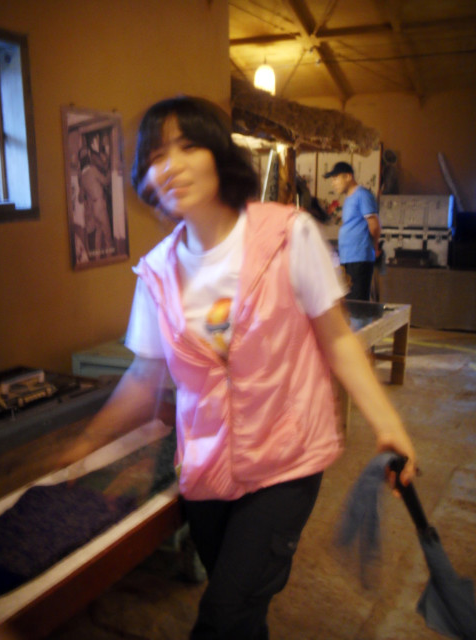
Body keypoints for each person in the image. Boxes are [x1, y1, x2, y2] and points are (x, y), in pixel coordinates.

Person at [63, 96, 417, 640]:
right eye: (156, 156)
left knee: (224, 619)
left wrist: (388, 425)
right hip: (205, 470)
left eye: (188, 146)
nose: (171, 165)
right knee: (242, 614)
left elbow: (337, 341)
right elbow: (143, 379)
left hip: (286, 461)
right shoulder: (156, 271)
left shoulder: (288, 234)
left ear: (219, 155)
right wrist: (83, 446)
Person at [324, 161, 381, 301]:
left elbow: (374, 224)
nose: (333, 183)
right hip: (348, 258)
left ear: (348, 176)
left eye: (336, 178)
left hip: (359, 256)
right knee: (349, 301)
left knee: (357, 302)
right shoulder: (349, 198)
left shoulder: (362, 194)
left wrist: (374, 247)